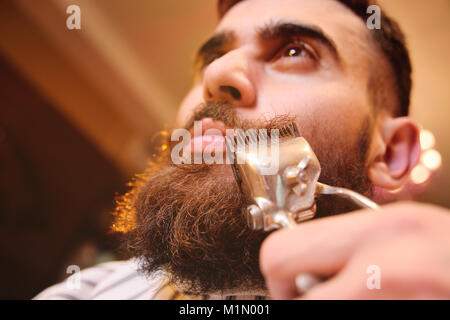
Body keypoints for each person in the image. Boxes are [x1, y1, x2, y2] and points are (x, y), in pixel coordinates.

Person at [35, 0, 450, 300]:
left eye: (293, 52)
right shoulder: (84, 293)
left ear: (392, 153)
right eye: (213, 56)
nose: (216, 75)